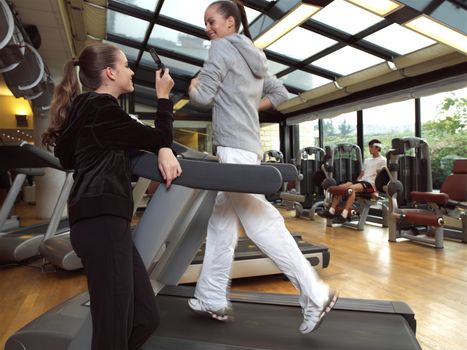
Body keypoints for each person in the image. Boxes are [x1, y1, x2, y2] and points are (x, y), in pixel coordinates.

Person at [187, 0, 337, 334]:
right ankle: (211, 295)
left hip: (234, 149)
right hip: (247, 146)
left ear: (230, 23)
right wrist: (247, 107)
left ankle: (314, 293)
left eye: (212, 21)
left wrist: (192, 86)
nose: (208, 28)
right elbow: (280, 93)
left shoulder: (221, 49)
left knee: (261, 223)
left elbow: (202, 98)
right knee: (222, 221)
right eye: (206, 23)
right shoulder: (254, 54)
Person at [42, 42, 182, 350]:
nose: (132, 71)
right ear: (110, 72)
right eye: (126, 65)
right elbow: (160, 137)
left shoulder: (85, 112)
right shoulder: (102, 109)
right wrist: (162, 97)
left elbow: (71, 156)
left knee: (144, 318)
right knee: (113, 330)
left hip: (99, 225)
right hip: (102, 224)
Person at [319, 139, 386, 224]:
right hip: (361, 182)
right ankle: (331, 211)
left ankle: (344, 214)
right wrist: (356, 181)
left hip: (371, 185)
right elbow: (362, 174)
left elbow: (381, 177)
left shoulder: (383, 160)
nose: (369, 149)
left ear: (377, 148)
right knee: (339, 188)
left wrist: (376, 191)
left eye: (371, 147)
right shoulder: (367, 160)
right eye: (369, 147)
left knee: (351, 189)